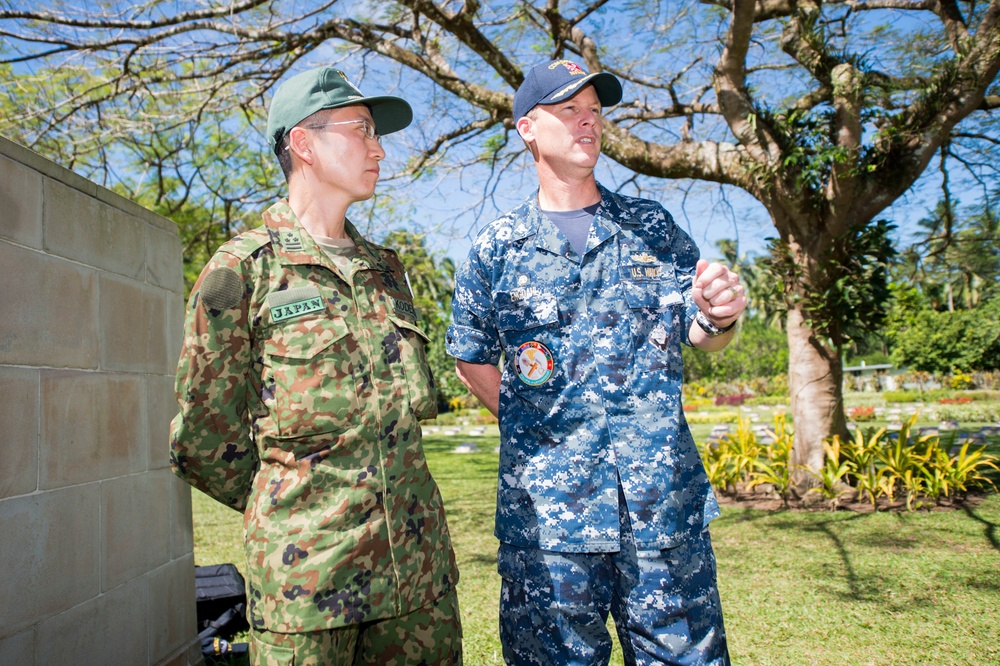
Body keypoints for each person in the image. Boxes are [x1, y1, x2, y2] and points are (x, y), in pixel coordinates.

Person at [447, 59, 746, 665]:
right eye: (569, 111)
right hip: (549, 526)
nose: (588, 123)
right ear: (528, 128)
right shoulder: (496, 248)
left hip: (662, 509)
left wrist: (721, 315)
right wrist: (534, 430)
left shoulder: (652, 228)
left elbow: (700, 334)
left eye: (595, 111)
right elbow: (470, 356)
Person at [170, 67, 461, 665]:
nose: (379, 148)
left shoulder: (386, 270)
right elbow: (201, 438)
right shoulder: (241, 272)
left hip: (417, 580)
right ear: (303, 143)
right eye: (363, 131)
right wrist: (295, 505)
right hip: (308, 591)